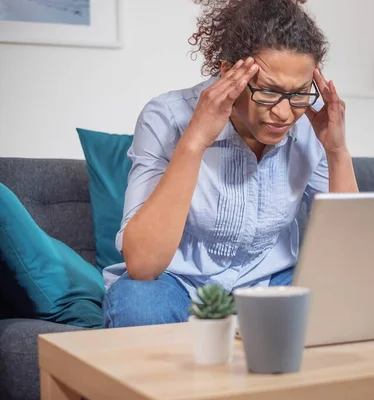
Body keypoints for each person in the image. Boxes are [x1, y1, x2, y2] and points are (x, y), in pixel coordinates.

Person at [102, 0, 359, 328]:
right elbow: (142, 265)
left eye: (299, 93)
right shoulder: (166, 117)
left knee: (352, 300)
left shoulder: (308, 125)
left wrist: (336, 150)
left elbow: (350, 254)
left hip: (272, 285)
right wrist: (195, 140)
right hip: (177, 283)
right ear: (229, 74)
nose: (284, 113)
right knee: (138, 307)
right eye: (268, 91)